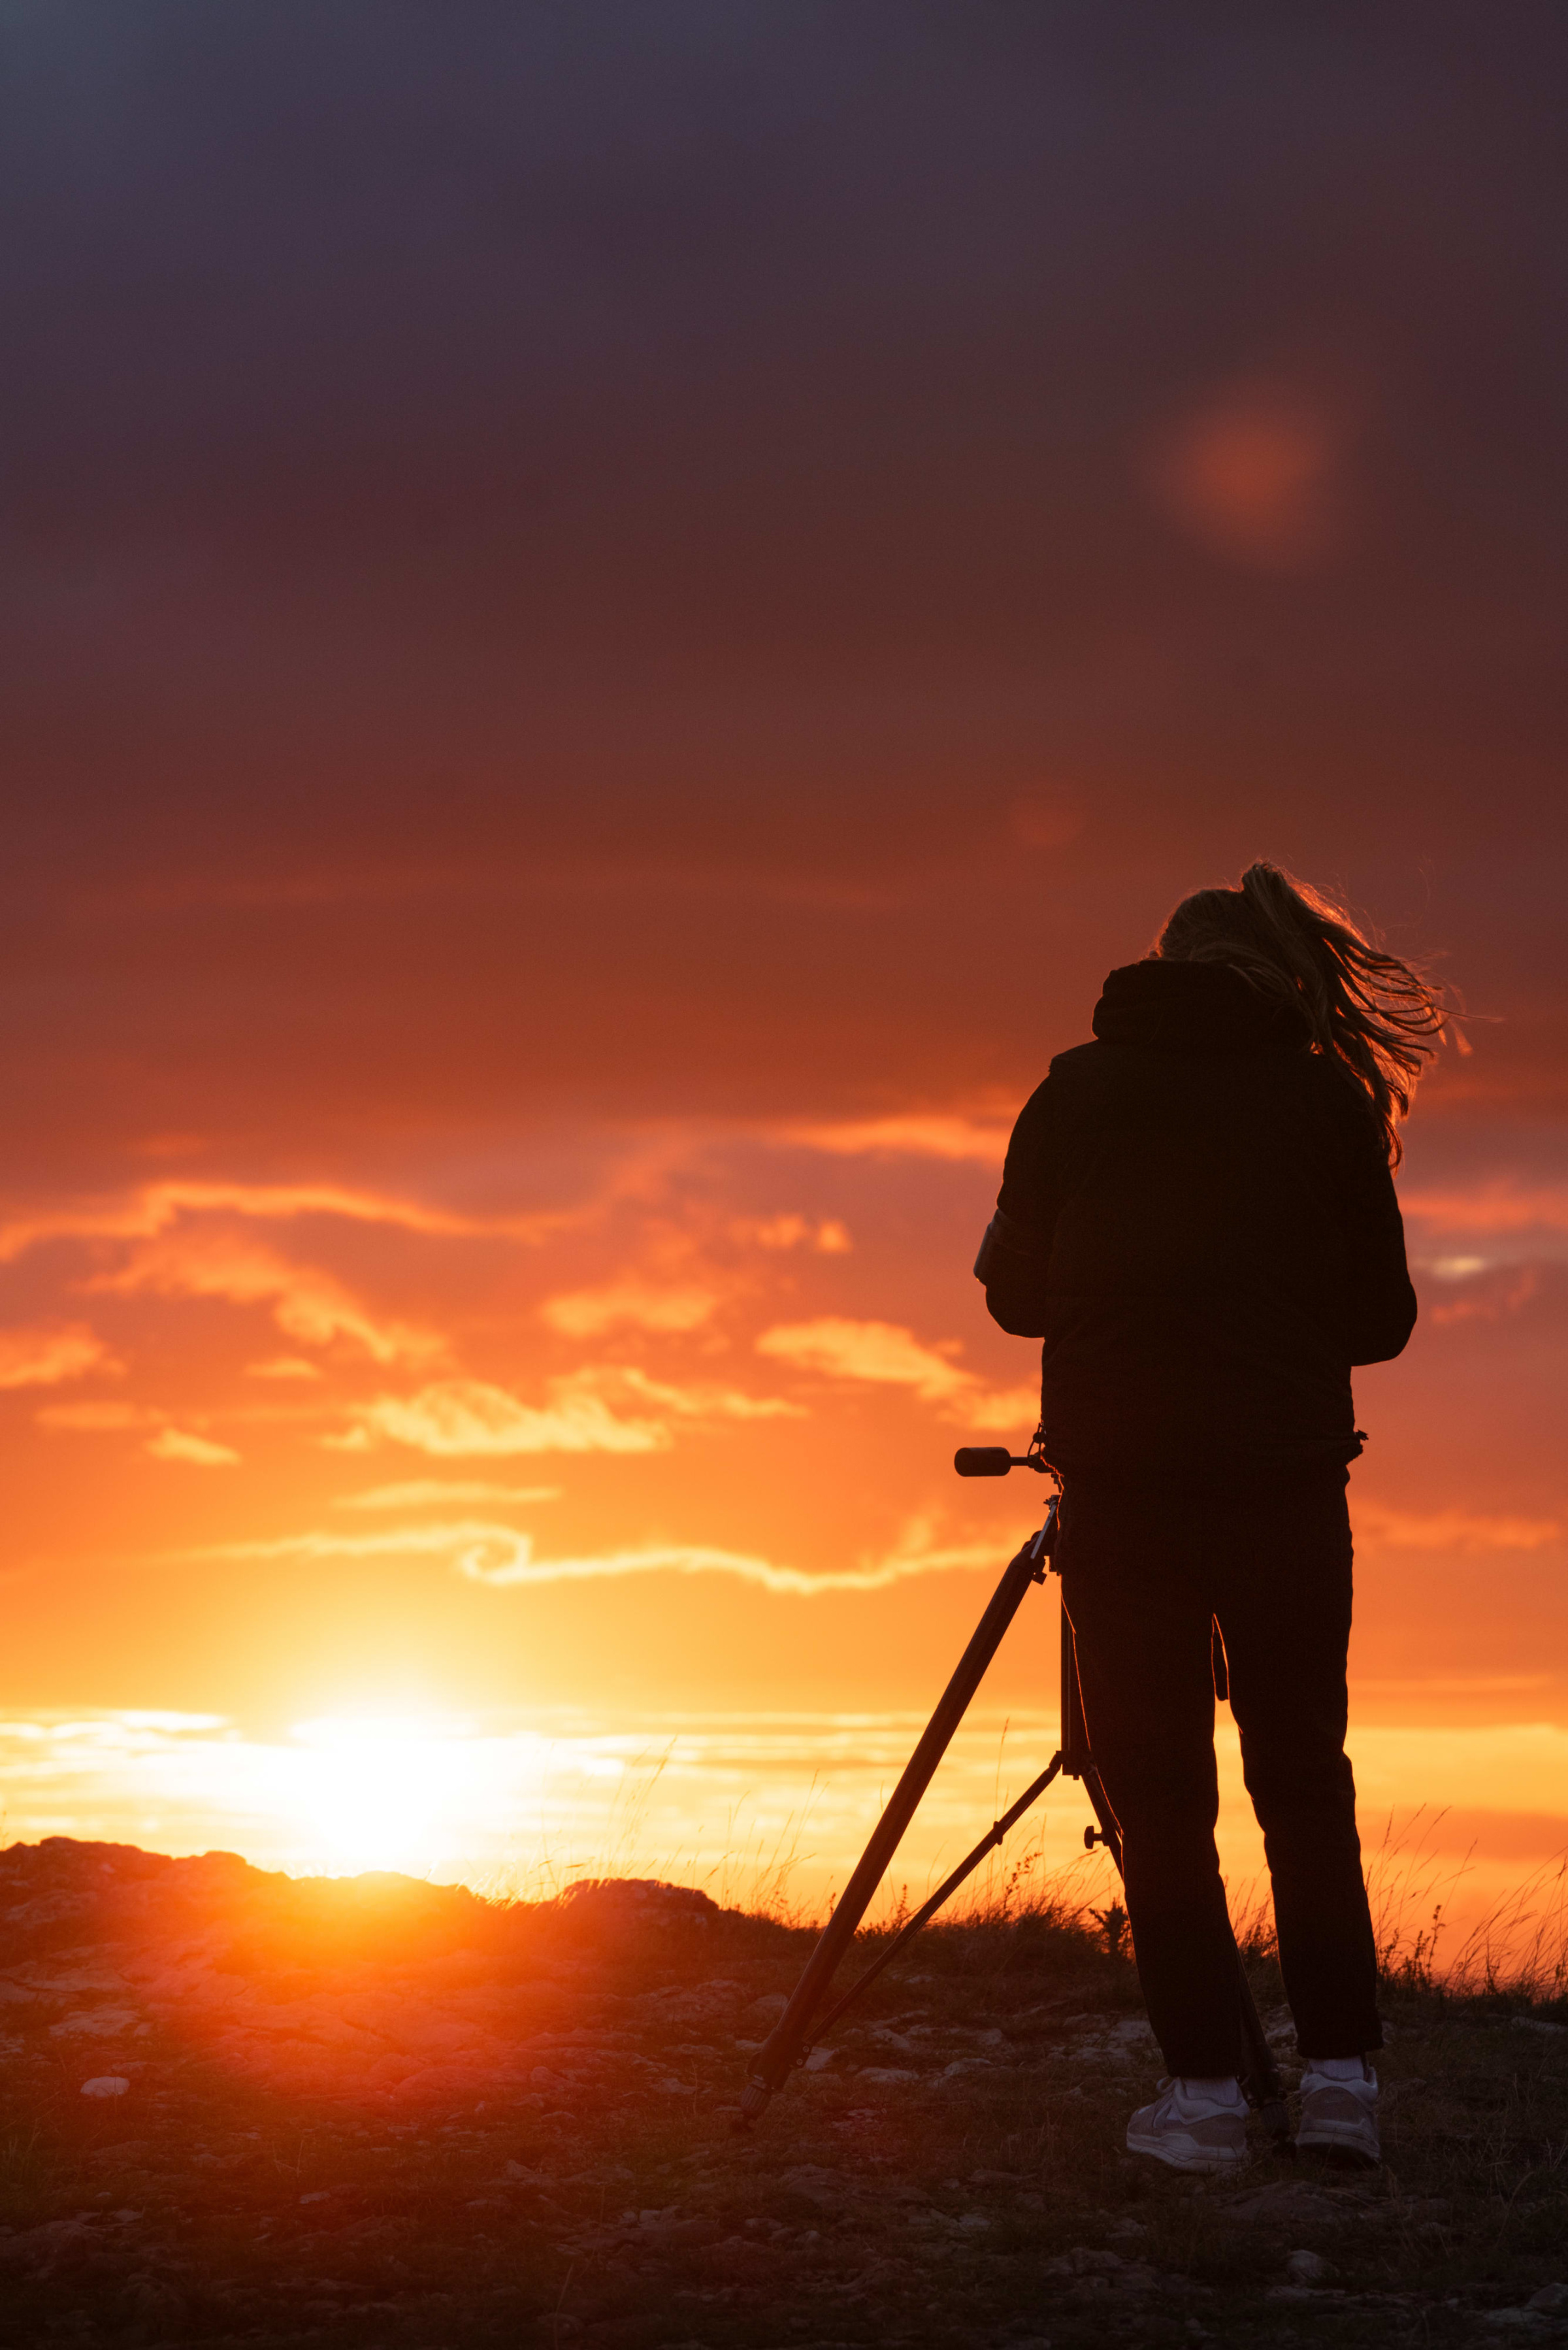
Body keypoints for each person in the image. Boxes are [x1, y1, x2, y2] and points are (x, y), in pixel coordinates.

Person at [973, 862, 1447, 2174]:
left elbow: (1013, 1297)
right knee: (1303, 1779)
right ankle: (1342, 2087)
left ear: (1165, 968)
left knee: (1160, 1795)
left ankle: (1204, 2100)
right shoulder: (1324, 1100)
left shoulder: (1075, 1092)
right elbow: (1384, 1321)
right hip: (1285, 1487)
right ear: (1282, 977)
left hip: (1125, 1494)